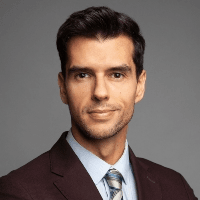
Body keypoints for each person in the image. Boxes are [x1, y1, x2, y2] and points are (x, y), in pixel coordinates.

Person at [0, 6, 197, 200]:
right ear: (63, 87)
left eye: (117, 75)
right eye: (83, 75)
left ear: (139, 85)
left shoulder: (177, 188)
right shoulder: (18, 192)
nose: (100, 93)